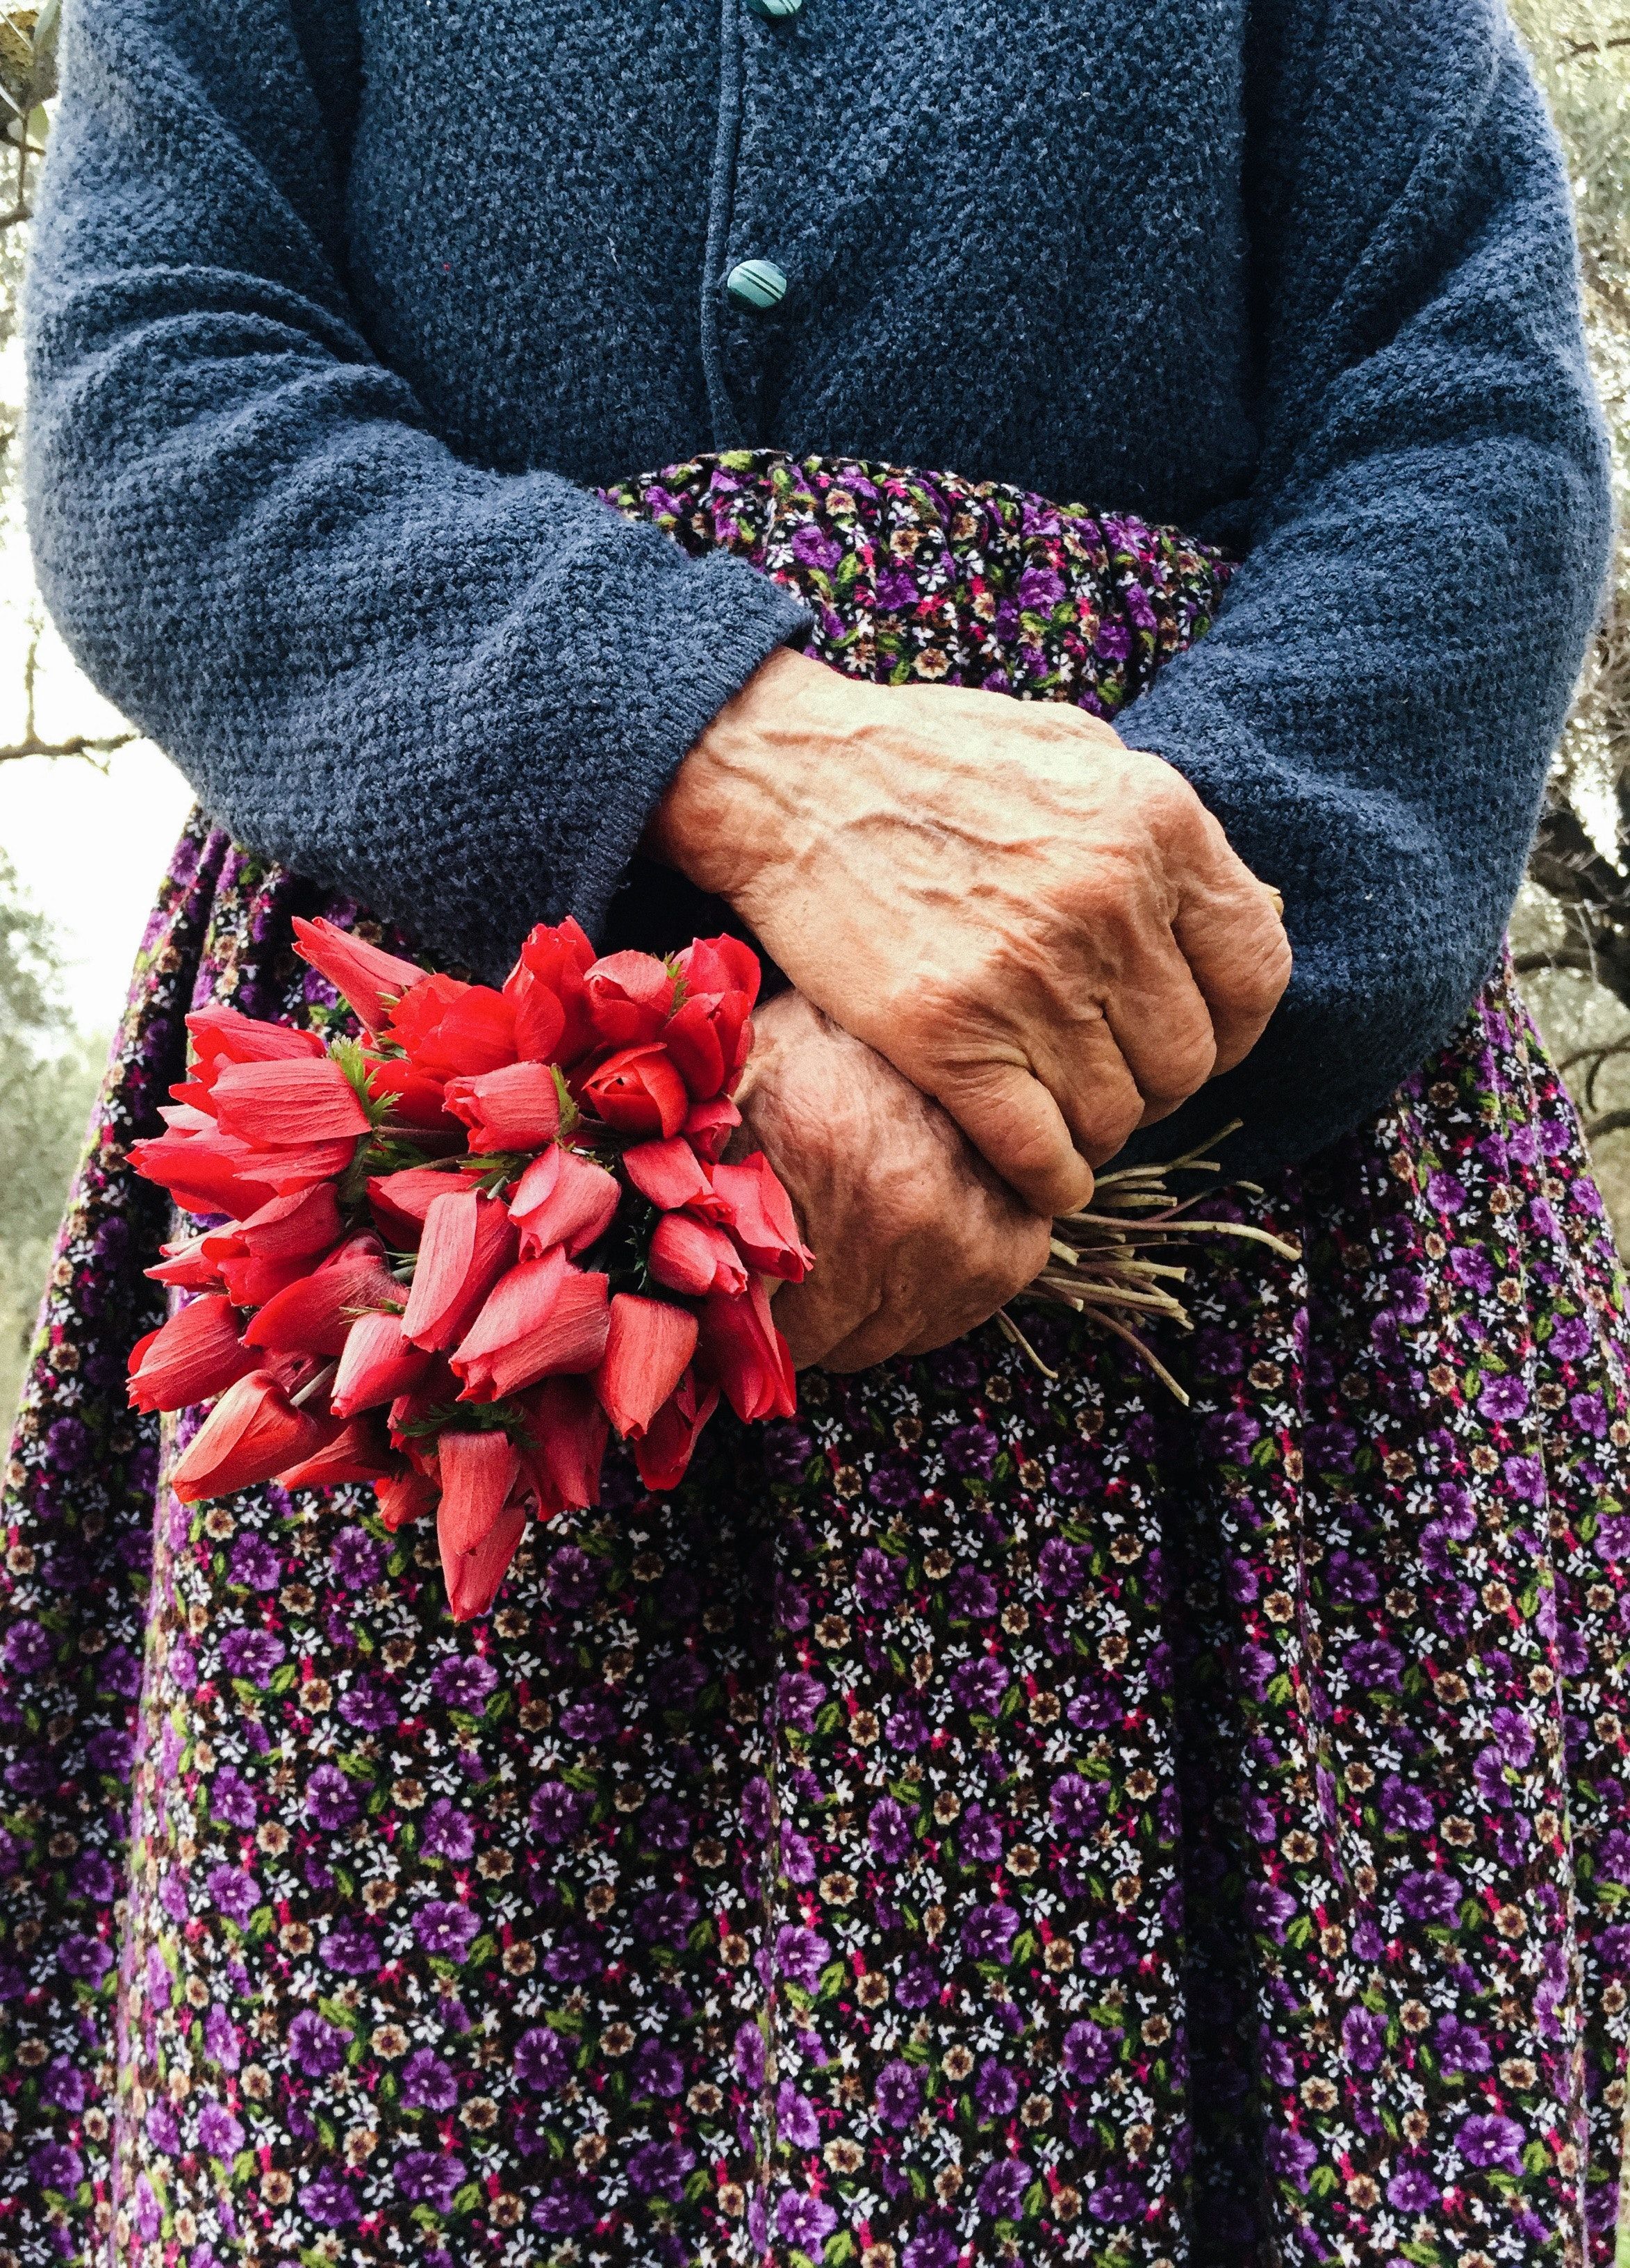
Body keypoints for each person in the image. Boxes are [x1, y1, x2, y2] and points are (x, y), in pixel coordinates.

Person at [1, 1, 1622, 2262]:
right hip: (451, 1212)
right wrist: (739, 769)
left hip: (1202, 1247)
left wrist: (1073, 1005)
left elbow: (1462, 439)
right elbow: (157, 389)